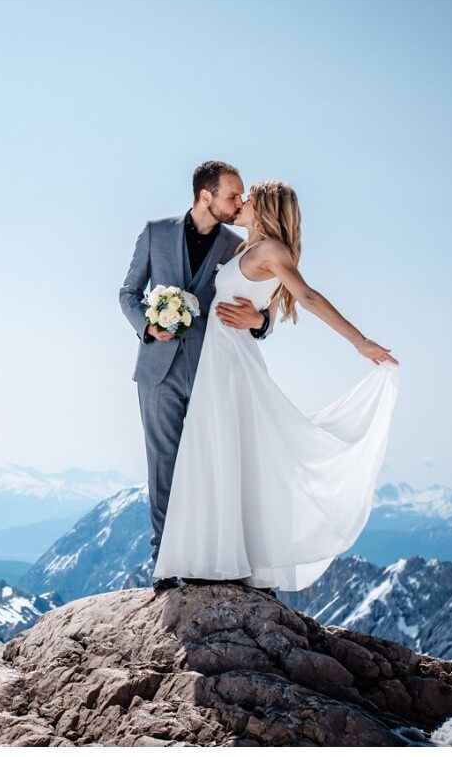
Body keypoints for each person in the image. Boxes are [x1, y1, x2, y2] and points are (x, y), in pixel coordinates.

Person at [152, 179, 399, 593]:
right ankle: (214, 556)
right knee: (221, 453)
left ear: (266, 208)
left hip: (231, 365)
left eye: (250, 198)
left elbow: (309, 296)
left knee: (228, 451)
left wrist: (359, 341)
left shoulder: (272, 251)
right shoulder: (243, 247)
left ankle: (225, 562)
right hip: (218, 361)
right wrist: (258, 318)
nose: (242, 202)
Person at [118, 160, 275, 593]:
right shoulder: (155, 232)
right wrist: (148, 326)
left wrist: (259, 321)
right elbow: (128, 293)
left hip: (213, 374)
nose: (240, 202)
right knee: (163, 466)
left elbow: (264, 307)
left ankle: (216, 559)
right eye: (232, 194)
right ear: (206, 196)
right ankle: (164, 564)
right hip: (158, 371)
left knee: (216, 465)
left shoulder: (236, 246)